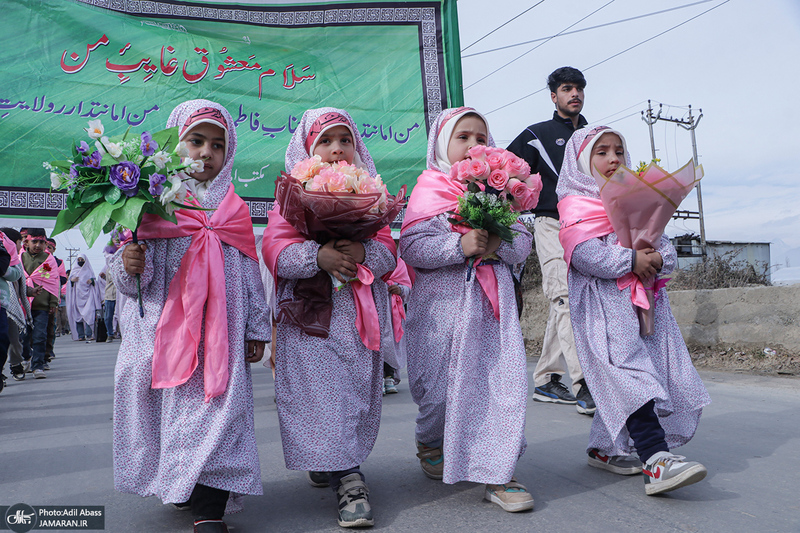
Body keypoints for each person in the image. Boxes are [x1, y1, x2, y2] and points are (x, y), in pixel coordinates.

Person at [111, 100, 270, 533]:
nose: (206, 153)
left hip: (222, 335)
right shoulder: (150, 204)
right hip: (166, 335)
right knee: (174, 413)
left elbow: (248, 271)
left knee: (221, 411)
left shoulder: (234, 210)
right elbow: (128, 280)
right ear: (174, 144)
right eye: (196, 141)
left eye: (218, 145)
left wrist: (257, 326)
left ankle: (209, 510)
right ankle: (183, 480)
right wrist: (128, 266)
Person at [557, 125, 710, 495]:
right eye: (601, 152)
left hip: (647, 311)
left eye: (619, 151)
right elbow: (583, 255)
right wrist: (631, 259)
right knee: (633, 378)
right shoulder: (576, 205)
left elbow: (667, 249)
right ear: (580, 163)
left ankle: (604, 449)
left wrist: (656, 256)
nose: (613, 159)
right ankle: (656, 460)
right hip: (605, 312)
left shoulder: (638, 200)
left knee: (652, 375)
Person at [262, 107, 396, 528]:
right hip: (308, 323)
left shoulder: (374, 197)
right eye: (325, 141)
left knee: (350, 394)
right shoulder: (290, 200)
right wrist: (316, 255)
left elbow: (388, 251)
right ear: (306, 150)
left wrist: (362, 252)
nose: (337, 149)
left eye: (345, 140)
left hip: (354, 318)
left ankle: (337, 458)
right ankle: (349, 477)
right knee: (318, 396)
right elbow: (274, 250)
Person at [399, 107, 534, 512]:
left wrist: (498, 244)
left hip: (492, 311)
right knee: (438, 393)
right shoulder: (429, 190)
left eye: (482, 137)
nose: (475, 145)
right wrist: (457, 247)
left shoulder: (502, 193)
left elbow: (523, 242)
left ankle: (499, 474)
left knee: (498, 387)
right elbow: (412, 247)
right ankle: (430, 438)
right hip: (439, 311)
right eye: (464, 137)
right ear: (442, 145)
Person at [506, 66, 594, 415]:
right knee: (565, 296)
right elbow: (506, 170)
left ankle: (545, 380)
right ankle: (585, 382)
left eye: (579, 89)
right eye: (567, 89)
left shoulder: (592, 137)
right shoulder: (536, 135)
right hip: (551, 225)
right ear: (554, 96)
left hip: (587, 227)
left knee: (570, 301)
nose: (575, 94)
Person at [20, 228, 59, 379]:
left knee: (40, 336)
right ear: (26, 242)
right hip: (23, 306)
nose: (37, 245)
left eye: (41, 242)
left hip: (42, 306)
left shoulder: (49, 260)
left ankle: (38, 365)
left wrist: (53, 303)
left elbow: (53, 282)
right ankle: (26, 358)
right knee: (23, 337)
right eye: (34, 241)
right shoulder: (20, 258)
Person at [1, 228, 31, 382]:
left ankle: (15, 364)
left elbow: (21, 284)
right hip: (4, 304)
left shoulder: (15, 261)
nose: (21, 246)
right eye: (20, 242)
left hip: (9, 305)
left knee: (12, 338)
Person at [382, 258, 412, 395]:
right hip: (374, 309)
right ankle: (378, 379)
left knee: (391, 343)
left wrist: (399, 289)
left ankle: (389, 376)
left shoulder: (399, 263)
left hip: (393, 313)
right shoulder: (373, 258)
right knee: (377, 342)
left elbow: (408, 286)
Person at [0, 230, 23, 392]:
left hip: (4, 304)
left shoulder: (5, 245)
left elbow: (16, 273)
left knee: (5, 339)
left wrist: (3, 269)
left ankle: (13, 365)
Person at [66, 254, 101, 342]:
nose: (80, 261)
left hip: (88, 296)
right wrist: (71, 281)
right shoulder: (74, 271)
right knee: (78, 317)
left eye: (82, 259)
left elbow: (95, 282)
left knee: (89, 314)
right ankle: (81, 335)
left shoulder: (89, 271)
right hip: (77, 297)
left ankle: (89, 334)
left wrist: (92, 281)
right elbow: (69, 285)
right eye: (79, 259)